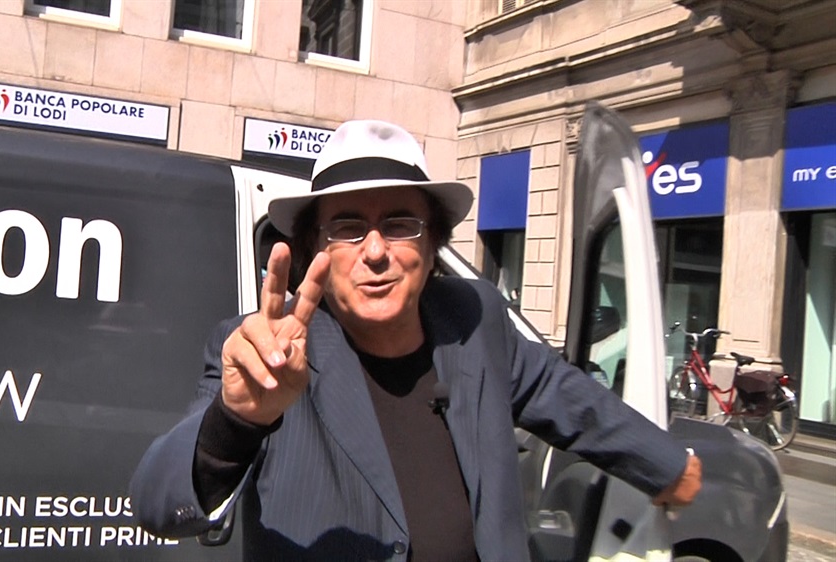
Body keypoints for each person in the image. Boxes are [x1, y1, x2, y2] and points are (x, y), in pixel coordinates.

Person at [130, 120, 702, 561]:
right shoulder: (268, 355)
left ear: (432, 248)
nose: (376, 251)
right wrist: (237, 421)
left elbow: (568, 396)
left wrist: (670, 466)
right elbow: (158, 504)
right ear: (315, 251)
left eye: (400, 224)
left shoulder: (475, 319)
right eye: (348, 227)